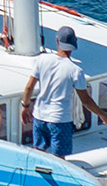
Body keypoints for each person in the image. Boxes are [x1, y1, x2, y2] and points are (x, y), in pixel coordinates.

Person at [24, 27, 93, 158]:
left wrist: (25, 106)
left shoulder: (42, 60)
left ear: (57, 41)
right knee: (59, 158)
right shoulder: (75, 70)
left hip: (39, 115)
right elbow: (86, 101)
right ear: (74, 45)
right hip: (60, 120)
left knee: (38, 152)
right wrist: (103, 115)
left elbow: (29, 88)